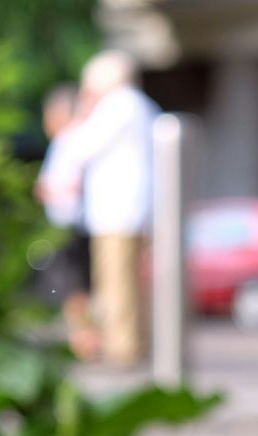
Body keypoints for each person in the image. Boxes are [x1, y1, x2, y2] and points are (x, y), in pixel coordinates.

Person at [59, 50, 159, 366]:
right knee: (130, 284)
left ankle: (122, 348)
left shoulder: (118, 105)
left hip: (118, 213)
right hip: (133, 211)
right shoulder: (143, 106)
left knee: (117, 284)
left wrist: (82, 113)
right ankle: (134, 344)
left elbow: (79, 146)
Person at [35, 84, 98, 360]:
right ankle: (82, 338)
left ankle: (85, 340)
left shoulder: (72, 140)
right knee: (71, 288)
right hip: (67, 225)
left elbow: (73, 184)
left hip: (70, 225)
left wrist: (48, 190)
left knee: (74, 289)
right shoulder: (65, 140)